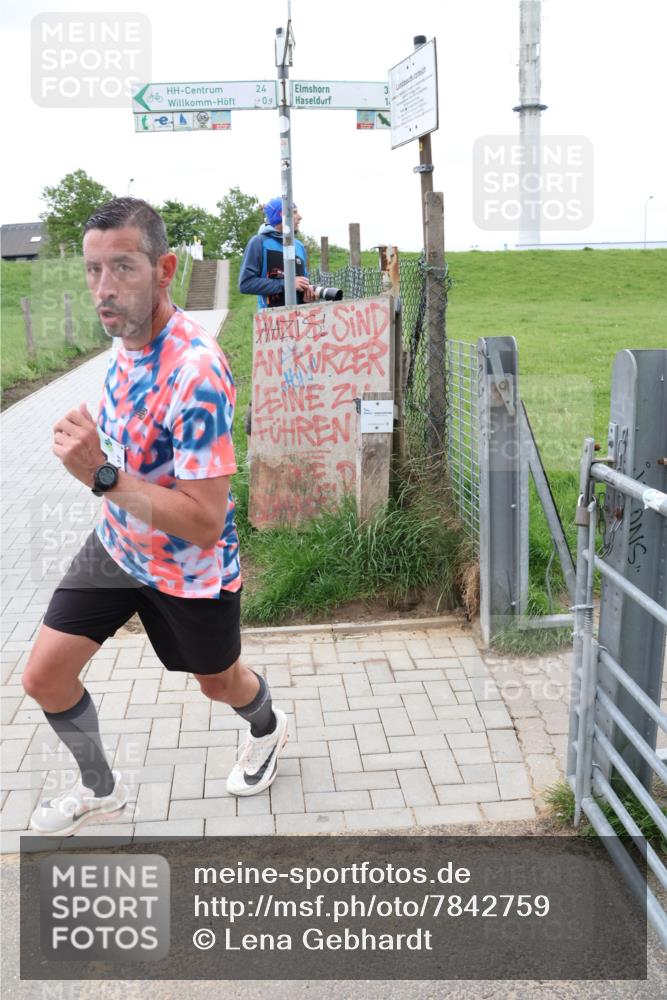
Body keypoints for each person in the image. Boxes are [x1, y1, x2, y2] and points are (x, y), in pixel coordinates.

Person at [23, 197, 288, 836]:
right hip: (117, 548)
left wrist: (102, 475)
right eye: (93, 271)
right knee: (43, 676)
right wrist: (97, 442)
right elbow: (139, 448)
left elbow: (203, 521)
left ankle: (268, 728)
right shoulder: (125, 346)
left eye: (123, 268)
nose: (104, 290)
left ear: (165, 269)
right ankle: (100, 789)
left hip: (187, 572)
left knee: (219, 685)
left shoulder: (195, 372)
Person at [238, 197, 315, 308]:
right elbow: (246, 284)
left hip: (299, 319)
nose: (300, 217)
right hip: (271, 321)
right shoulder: (259, 242)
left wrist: (307, 296)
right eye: (294, 213)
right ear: (281, 215)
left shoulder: (299, 246)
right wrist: (287, 284)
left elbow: (302, 282)